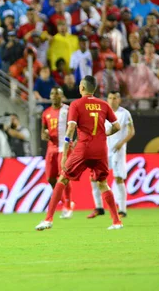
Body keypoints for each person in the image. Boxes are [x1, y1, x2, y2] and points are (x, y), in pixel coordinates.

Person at [35, 75, 123, 231]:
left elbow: (70, 129)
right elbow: (117, 127)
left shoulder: (76, 104)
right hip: (101, 150)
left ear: (81, 88)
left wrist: (66, 152)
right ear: (94, 89)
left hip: (83, 149)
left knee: (62, 178)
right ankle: (116, 222)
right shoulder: (103, 105)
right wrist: (104, 134)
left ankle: (48, 219)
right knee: (103, 183)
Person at [88, 91, 134, 219]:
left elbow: (131, 132)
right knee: (94, 178)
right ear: (107, 99)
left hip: (118, 151)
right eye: (110, 98)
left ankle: (122, 209)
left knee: (118, 178)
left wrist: (121, 143)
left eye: (115, 98)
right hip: (103, 150)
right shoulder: (102, 112)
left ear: (119, 100)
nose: (112, 100)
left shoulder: (124, 113)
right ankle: (99, 207)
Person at [41, 87, 74, 218]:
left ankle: (68, 205)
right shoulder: (46, 113)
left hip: (65, 148)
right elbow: (43, 131)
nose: (54, 96)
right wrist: (44, 135)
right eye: (52, 94)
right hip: (51, 148)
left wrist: (76, 139)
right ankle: (63, 200)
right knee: (50, 178)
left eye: (57, 94)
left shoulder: (68, 110)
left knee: (63, 177)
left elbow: (77, 125)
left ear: (62, 96)